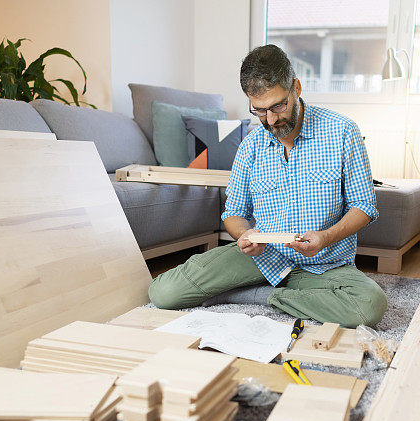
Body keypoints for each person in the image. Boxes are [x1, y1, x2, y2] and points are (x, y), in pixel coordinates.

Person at [148, 44, 387, 328]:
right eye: (259, 111)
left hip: (324, 265)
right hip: (262, 258)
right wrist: (244, 235)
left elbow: (365, 206)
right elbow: (233, 213)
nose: (271, 120)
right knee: (163, 293)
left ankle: (261, 296)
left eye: (278, 106)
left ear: (296, 88)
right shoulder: (250, 146)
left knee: (369, 306)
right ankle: (286, 295)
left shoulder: (343, 131)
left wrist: (325, 237)